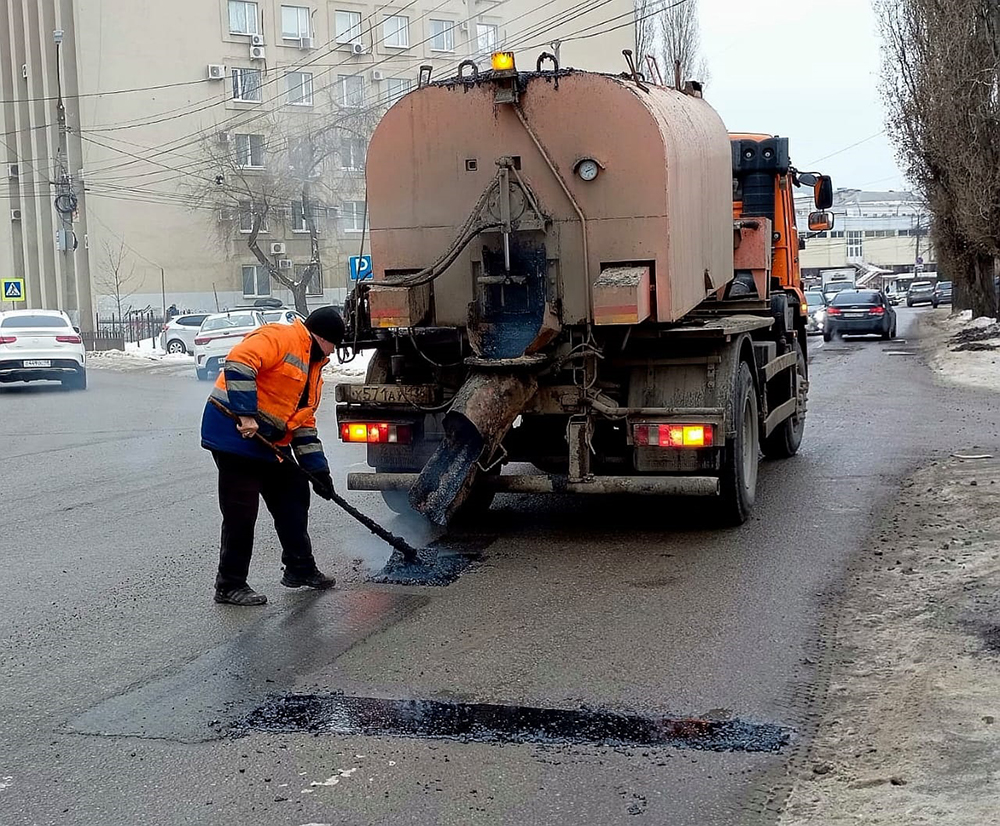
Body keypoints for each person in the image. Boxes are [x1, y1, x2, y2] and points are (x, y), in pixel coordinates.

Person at [200, 306, 345, 606]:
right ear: (323, 337)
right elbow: (239, 362)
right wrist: (246, 413)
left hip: (267, 441)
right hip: (234, 433)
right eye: (335, 344)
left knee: (293, 495)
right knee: (241, 511)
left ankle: (300, 569)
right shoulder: (280, 336)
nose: (335, 352)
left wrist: (319, 472)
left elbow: (303, 422)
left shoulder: (313, 367)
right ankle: (229, 585)